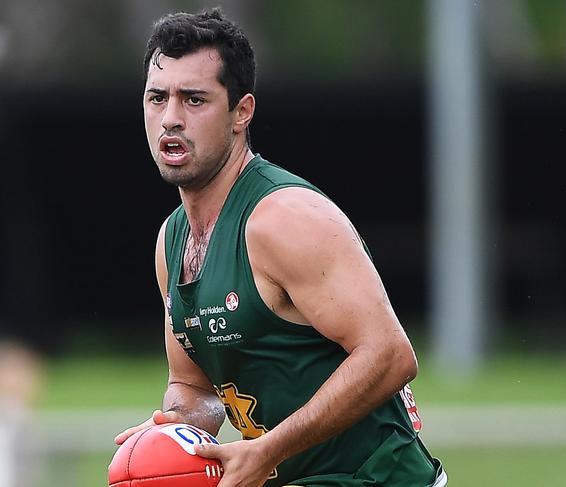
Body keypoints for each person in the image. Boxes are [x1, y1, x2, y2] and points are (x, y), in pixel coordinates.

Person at [114, 7, 446, 487]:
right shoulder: (172, 241)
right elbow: (193, 387)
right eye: (157, 97)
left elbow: (391, 356)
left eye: (194, 99)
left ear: (241, 112)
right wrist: (175, 434)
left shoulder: (283, 219)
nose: (170, 118)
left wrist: (268, 449)